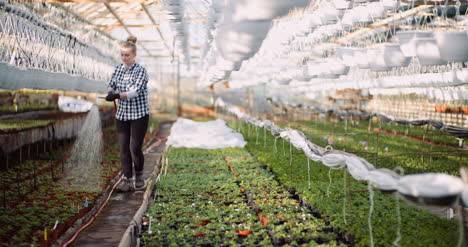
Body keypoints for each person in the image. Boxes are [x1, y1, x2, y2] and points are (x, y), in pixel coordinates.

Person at [105, 36, 149, 192]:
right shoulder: (118, 69)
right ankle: (127, 181)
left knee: (134, 148)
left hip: (139, 115)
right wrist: (110, 92)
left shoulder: (141, 71)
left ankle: (139, 176)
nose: (124, 58)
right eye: (122, 55)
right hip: (123, 114)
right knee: (123, 148)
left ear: (134, 55)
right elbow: (112, 84)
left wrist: (117, 95)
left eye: (127, 55)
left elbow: (134, 92)